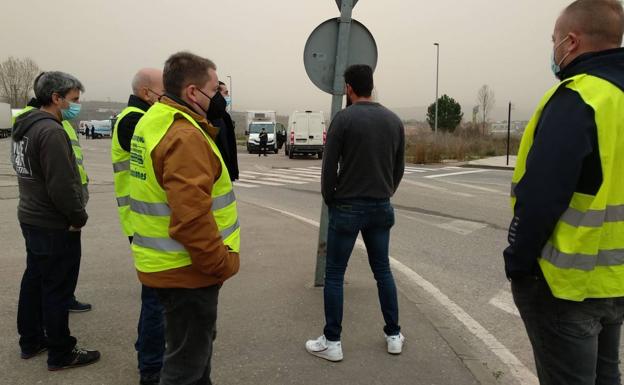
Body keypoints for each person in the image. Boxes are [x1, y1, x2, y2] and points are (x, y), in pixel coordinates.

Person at [505, 1, 624, 384]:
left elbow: (541, 196)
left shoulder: (578, 98)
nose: (553, 48)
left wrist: (518, 262)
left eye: (554, 39)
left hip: (565, 286)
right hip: (615, 282)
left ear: (570, 42)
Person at [129, 52, 240, 385]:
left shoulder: (155, 118)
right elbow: (191, 219)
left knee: (192, 357)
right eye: (214, 89)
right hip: (189, 271)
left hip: (167, 266)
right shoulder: (184, 135)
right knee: (185, 367)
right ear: (193, 92)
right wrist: (219, 263)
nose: (219, 97)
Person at [306, 64, 405, 361]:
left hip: (347, 207)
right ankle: (393, 335)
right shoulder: (394, 120)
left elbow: (329, 167)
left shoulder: (343, 120)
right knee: (383, 271)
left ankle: (333, 342)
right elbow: (398, 168)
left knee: (335, 275)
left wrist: (331, 199)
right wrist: (386, 190)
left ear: (349, 88)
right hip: (380, 206)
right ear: (370, 86)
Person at [11, 71, 100, 370]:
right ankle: (61, 352)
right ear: (56, 98)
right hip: (53, 223)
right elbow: (61, 185)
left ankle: (31, 339)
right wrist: (78, 217)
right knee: (57, 289)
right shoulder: (50, 131)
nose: (76, 105)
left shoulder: (25, 125)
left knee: (35, 280)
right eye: (73, 100)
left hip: (31, 217)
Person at [111, 68, 166, 385]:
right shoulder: (135, 121)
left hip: (146, 219)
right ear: (147, 93)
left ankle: (149, 351)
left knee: (157, 299)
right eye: (163, 91)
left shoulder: (137, 117)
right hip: (144, 221)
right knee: (156, 301)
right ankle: (151, 368)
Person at [209, 81, 239, 181]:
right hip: (220, 176)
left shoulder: (225, 117)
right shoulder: (215, 119)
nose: (228, 96)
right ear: (217, 94)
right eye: (226, 93)